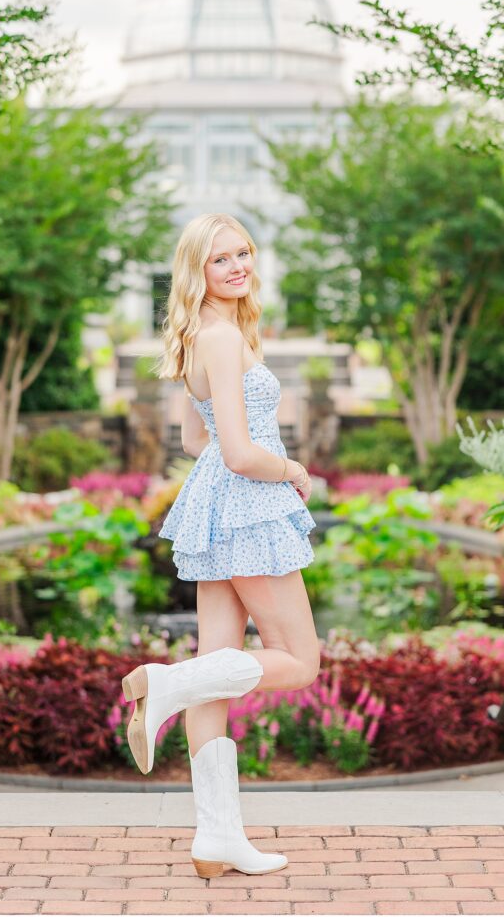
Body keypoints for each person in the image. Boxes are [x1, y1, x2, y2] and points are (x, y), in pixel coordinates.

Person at [121, 213, 321, 879]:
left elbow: (193, 441)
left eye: (244, 253)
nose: (238, 266)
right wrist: (291, 470)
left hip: (215, 512)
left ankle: (216, 838)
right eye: (220, 260)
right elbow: (236, 452)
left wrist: (242, 469)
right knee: (300, 660)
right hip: (250, 512)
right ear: (196, 271)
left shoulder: (205, 336)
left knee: (218, 672)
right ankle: (167, 682)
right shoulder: (224, 340)